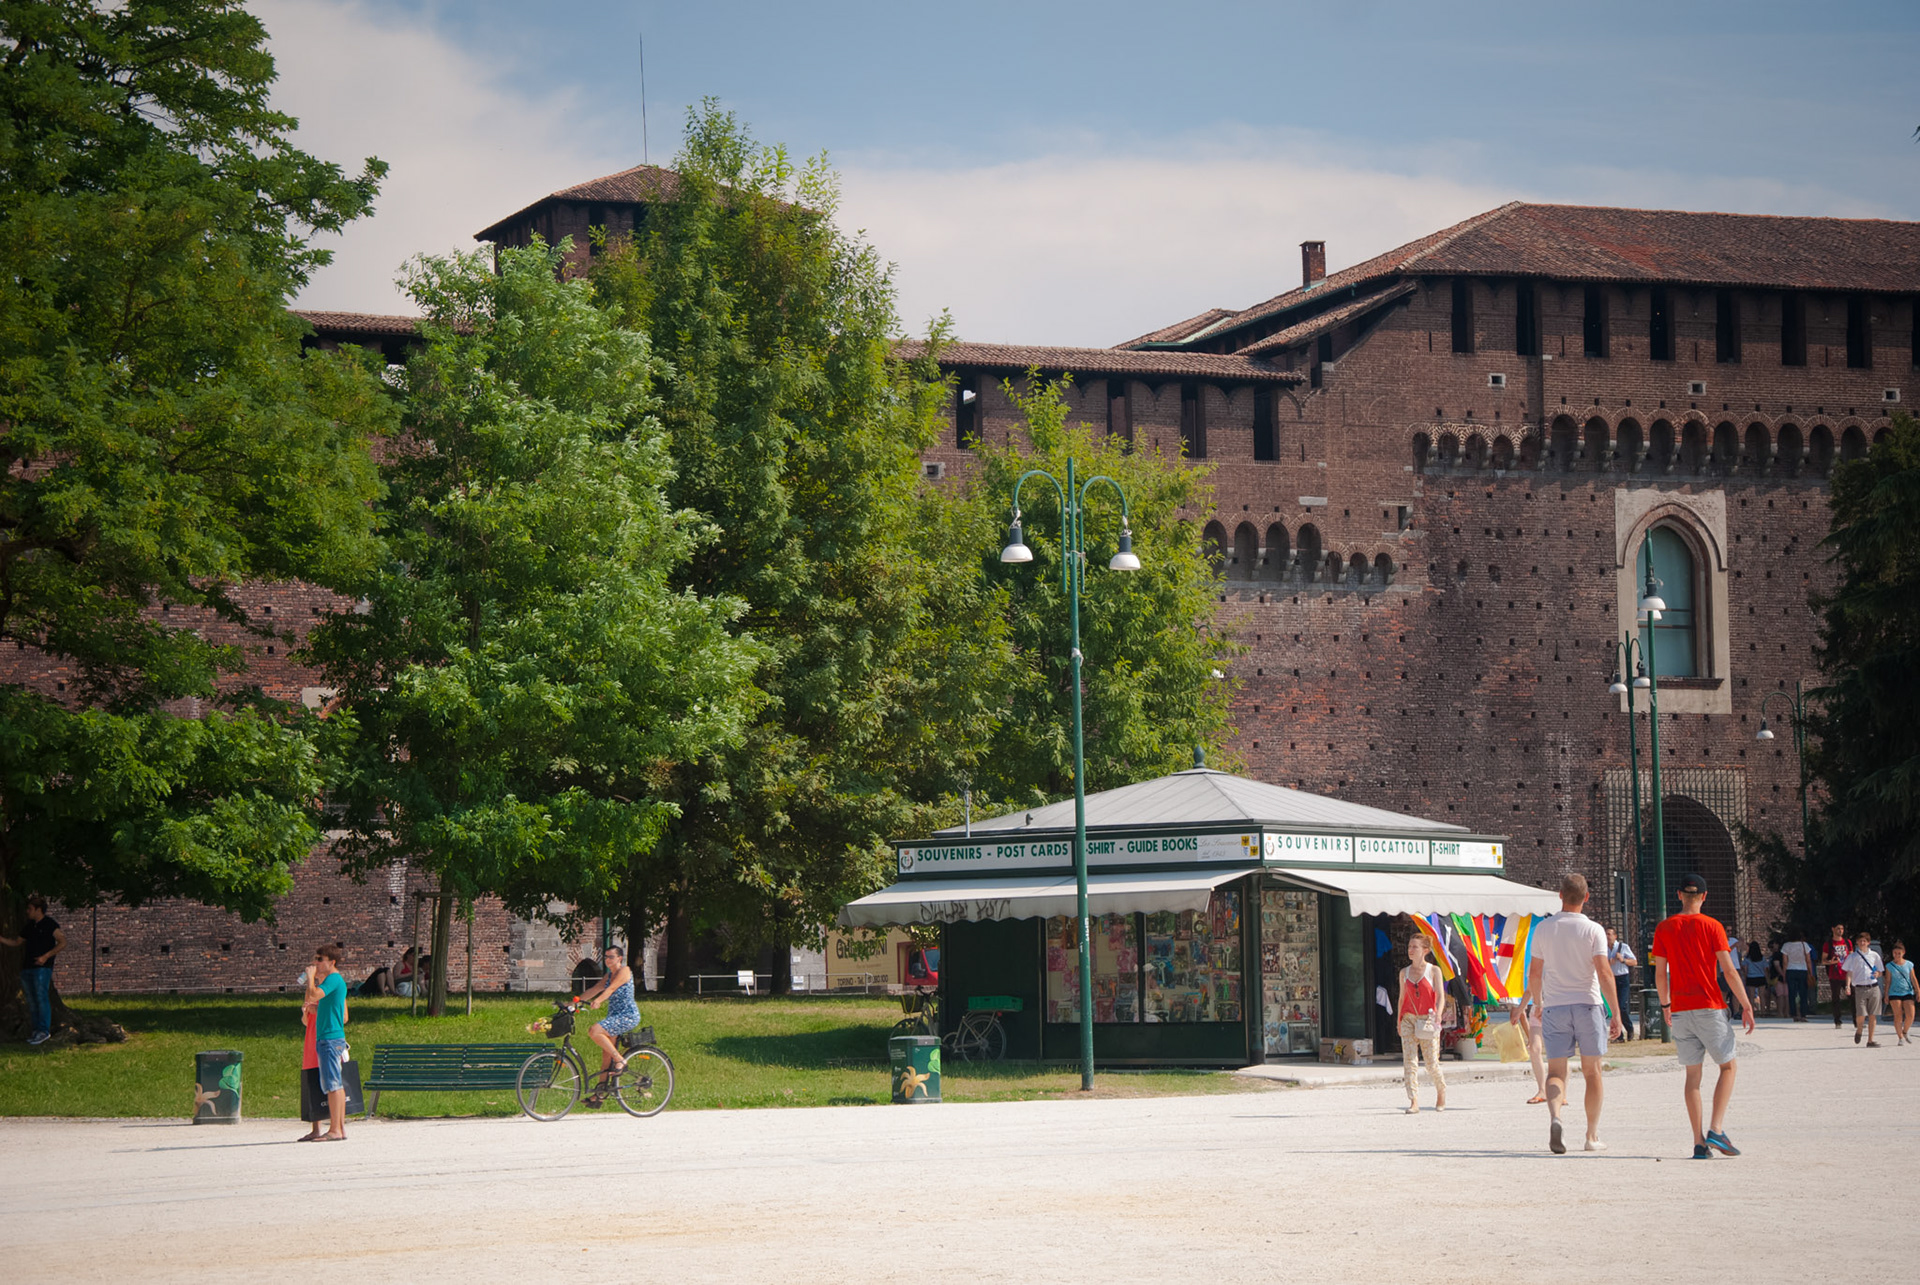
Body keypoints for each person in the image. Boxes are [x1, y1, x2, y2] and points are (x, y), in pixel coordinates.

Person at [1652, 872, 1754, 1159]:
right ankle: (1716, 1129)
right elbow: (1729, 970)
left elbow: (1660, 974)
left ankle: (1699, 1143)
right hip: (1709, 1005)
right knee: (1728, 1067)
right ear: (1704, 897)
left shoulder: (1664, 928)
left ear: (1679, 895)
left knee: (1692, 1077)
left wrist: (1665, 1006)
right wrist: (1746, 1004)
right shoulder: (1713, 926)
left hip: (1680, 1009)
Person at [1523, 873, 1622, 1155]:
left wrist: (1538, 1003)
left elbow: (1535, 973)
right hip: (1587, 1004)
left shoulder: (1544, 928)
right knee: (1593, 1072)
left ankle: (1556, 1117)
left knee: (1556, 1072)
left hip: (1555, 1005)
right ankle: (1591, 1136)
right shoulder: (1594, 930)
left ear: (1560, 895)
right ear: (1586, 897)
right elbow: (1604, 972)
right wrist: (1616, 1013)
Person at [573, 944, 639, 1104]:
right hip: (614, 1016)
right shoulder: (609, 975)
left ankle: (620, 1060)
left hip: (627, 1016)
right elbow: (595, 989)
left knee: (594, 1031)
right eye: (606, 957)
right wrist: (573, 1003)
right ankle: (599, 1095)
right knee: (606, 1056)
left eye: (611, 957)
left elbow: (611, 989)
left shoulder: (624, 971)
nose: (607, 960)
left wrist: (599, 1001)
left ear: (619, 958)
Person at [0, 894, 66, 1045]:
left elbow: (62, 942)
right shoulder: (29, 926)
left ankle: (44, 1031)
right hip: (27, 968)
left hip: (42, 969)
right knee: (31, 1000)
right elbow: (17, 942)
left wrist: (45, 956)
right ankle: (36, 1030)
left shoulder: (49, 924)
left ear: (38, 909)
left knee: (41, 998)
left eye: (30, 909)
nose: (27, 911)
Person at [302, 945, 350, 1141]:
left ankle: (335, 1130)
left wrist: (310, 978)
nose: (316, 963)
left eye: (320, 959)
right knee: (335, 1084)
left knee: (333, 1085)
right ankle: (339, 1129)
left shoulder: (333, 979)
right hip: (330, 1037)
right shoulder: (334, 981)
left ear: (332, 962)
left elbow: (313, 995)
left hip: (330, 1038)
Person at [1396, 933, 1447, 1114]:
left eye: (1415, 947)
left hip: (1428, 1019)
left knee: (1431, 1062)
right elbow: (1401, 998)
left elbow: (1440, 996)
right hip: (1408, 1019)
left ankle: (1441, 1090)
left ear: (1425, 950)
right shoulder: (1404, 973)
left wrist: (1438, 1014)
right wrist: (1399, 1021)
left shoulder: (1433, 971)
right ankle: (1413, 1101)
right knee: (1410, 1061)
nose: (1410, 950)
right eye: (1409, 946)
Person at [1841, 930, 1884, 1047]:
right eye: (1860, 941)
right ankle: (1859, 1029)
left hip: (1873, 987)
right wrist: (1848, 986)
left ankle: (1870, 1040)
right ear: (1857, 942)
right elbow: (1849, 972)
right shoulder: (1853, 957)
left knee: (1873, 1015)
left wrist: (1878, 974)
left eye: (1864, 941)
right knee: (1861, 1014)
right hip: (1860, 988)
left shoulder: (1874, 955)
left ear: (1868, 942)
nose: (1862, 943)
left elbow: (1880, 971)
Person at [1607, 928, 1638, 1039]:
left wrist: (1623, 960)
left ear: (1615, 936)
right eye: (1606, 934)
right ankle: (1619, 1035)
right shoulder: (1603, 949)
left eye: (1609, 934)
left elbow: (1634, 961)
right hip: (1611, 978)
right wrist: (1607, 962)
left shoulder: (1623, 947)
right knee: (1613, 1007)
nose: (1607, 937)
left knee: (1621, 1006)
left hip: (1622, 978)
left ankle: (1629, 1028)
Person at [1821, 925, 1852, 1028]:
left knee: (1853, 997)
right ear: (1833, 929)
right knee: (1836, 998)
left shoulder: (1848, 942)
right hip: (1835, 974)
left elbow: (1852, 956)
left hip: (1847, 974)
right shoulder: (1828, 944)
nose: (1840, 931)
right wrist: (1831, 962)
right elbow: (1823, 960)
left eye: (1842, 929)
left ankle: (1857, 1020)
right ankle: (1837, 1020)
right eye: (1838, 928)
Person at [1886, 942, 1915, 1047]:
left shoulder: (1909, 964)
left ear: (1903, 953)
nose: (1897, 955)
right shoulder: (1889, 966)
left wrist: (1918, 990)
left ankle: (1905, 1031)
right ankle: (1900, 1037)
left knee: (1910, 1015)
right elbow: (1888, 981)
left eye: (1899, 953)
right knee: (1898, 1015)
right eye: (1895, 953)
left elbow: (1913, 978)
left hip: (1907, 991)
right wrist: (1886, 994)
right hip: (1894, 992)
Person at [1780, 931, 1814, 1021]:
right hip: (1803, 970)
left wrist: (1784, 973)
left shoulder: (1786, 945)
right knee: (1803, 993)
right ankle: (1803, 1014)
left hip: (1790, 970)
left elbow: (1785, 962)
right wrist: (1810, 972)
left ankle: (1794, 1014)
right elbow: (1808, 960)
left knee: (1792, 993)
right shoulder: (1804, 945)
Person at [1741, 941, 1769, 1015]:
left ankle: (1751, 1012)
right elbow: (1765, 969)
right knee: (1762, 996)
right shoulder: (1762, 958)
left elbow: (1745, 969)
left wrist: (1745, 978)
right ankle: (1763, 1012)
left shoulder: (1747, 959)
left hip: (1751, 977)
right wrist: (1767, 979)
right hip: (1761, 977)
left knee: (1751, 996)